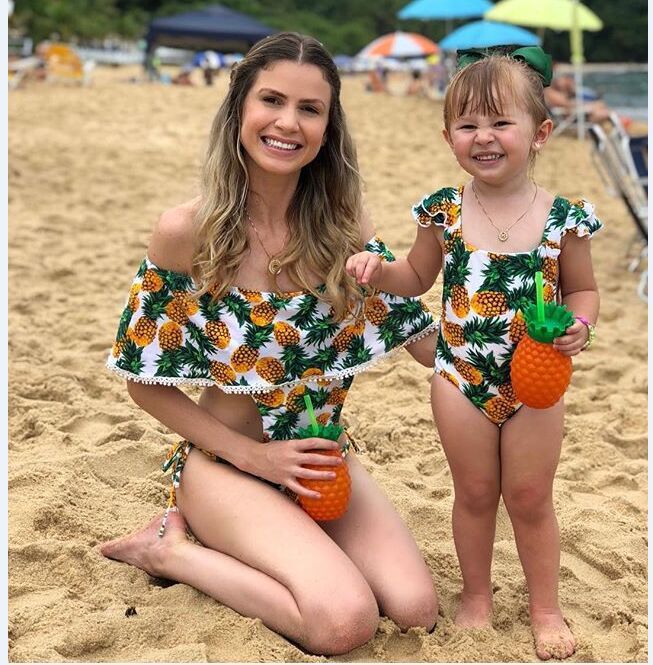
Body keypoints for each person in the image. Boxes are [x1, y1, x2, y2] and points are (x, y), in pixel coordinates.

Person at [101, 32, 439, 656]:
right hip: (228, 466)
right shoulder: (187, 233)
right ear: (238, 109)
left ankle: (295, 549)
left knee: (417, 609)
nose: (288, 123)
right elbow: (144, 382)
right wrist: (254, 460)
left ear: (328, 127)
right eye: (272, 101)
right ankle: (168, 550)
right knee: (344, 624)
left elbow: (418, 334)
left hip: (318, 461)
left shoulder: (346, 229)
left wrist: (523, 333)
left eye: (310, 109)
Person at [346, 46, 601, 661]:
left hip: (536, 381)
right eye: (467, 125)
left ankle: (546, 608)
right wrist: (376, 271)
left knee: (532, 497)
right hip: (459, 376)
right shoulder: (444, 211)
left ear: (539, 133)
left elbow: (585, 290)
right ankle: (477, 597)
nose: (483, 137)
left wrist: (581, 327)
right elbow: (416, 278)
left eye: (500, 122)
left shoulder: (562, 220)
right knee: (477, 491)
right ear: (448, 136)